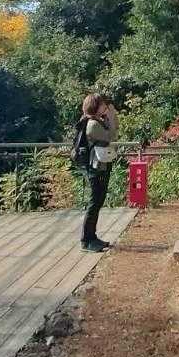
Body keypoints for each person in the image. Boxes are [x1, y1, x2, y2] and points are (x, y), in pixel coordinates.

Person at [73, 93, 116, 252]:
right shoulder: (92, 124)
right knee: (94, 202)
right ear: (95, 106)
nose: (105, 107)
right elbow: (111, 136)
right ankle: (86, 240)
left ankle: (92, 237)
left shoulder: (96, 121)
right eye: (103, 104)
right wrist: (112, 117)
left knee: (97, 201)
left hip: (98, 167)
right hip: (94, 168)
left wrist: (108, 119)